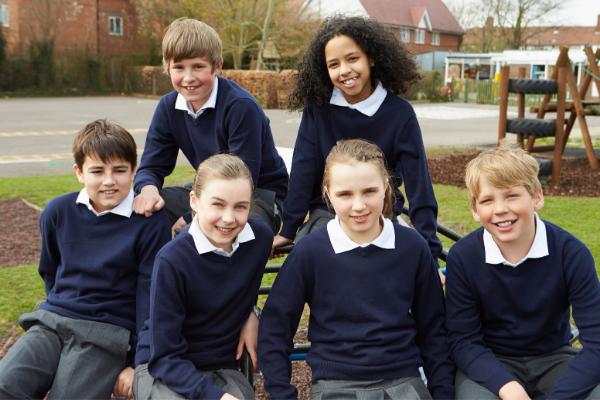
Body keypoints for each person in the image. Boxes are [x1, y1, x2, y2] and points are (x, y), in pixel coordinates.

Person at [258, 139, 455, 400]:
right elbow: (275, 327)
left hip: (403, 381)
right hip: (335, 384)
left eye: (369, 191)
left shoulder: (412, 247)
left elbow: (434, 330)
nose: (359, 205)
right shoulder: (310, 252)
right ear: (327, 194)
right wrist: (282, 394)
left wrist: (442, 393)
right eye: (345, 194)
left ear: (386, 187)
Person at [0, 120, 171, 399]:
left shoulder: (150, 222)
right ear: (79, 172)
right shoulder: (57, 211)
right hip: (53, 321)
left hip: (106, 334)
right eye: (96, 171)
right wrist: (62, 306)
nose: (108, 180)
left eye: (119, 170)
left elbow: (151, 298)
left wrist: (139, 363)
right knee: (6, 385)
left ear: (133, 171)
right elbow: (51, 271)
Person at [271, 15, 442, 273]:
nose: (344, 70)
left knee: (392, 272)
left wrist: (429, 246)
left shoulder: (400, 113)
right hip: (328, 212)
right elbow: (304, 168)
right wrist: (289, 228)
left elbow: (419, 184)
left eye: (352, 59)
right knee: (314, 267)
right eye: (333, 64)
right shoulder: (318, 108)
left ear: (371, 58)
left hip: (380, 211)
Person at [445, 143, 600, 400]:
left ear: (537, 197)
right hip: (490, 361)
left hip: (554, 358)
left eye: (511, 196)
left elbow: (596, 342)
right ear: (475, 209)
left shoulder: (570, 253)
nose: (500, 209)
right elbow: (463, 340)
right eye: (487, 200)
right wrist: (509, 388)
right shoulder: (463, 257)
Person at [132, 154, 273, 400]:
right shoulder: (172, 259)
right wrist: (215, 397)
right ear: (194, 202)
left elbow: (242, 289)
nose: (229, 218)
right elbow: (164, 355)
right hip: (165, 369)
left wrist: (253, 312)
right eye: (217, 204)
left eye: (240, 206)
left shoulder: (259, 238)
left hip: (221, 366)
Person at [132, 17, 288, 237]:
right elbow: (151, 167)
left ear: (217, 67)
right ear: (168, 68)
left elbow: (241, 181)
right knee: (140, 213)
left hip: (256, 195)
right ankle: (153, 272)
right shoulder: (168, 107)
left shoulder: (240, 107)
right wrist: (148, 192)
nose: (188, 78)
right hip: (206, 191)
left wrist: (189, 218)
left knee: (202, 232)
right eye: (179, 67)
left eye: (198, 67)